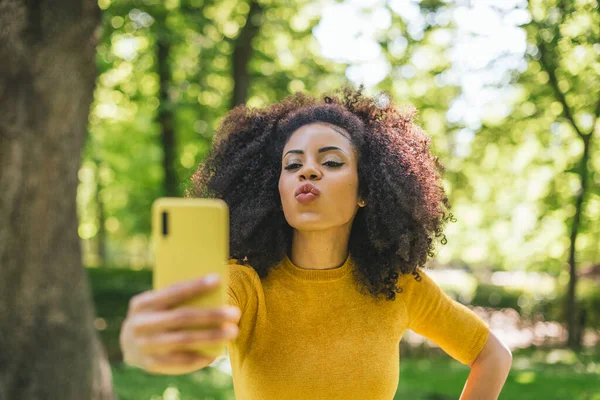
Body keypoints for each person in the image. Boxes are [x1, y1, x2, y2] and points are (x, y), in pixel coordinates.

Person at [120, 85, 512, 399]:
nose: (308, 170)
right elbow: (189, 342)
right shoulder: (245, 284)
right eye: (293, 164)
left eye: (331, 162)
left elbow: (492, 355)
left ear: (366, 191)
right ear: (277, 189)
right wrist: (144, 341)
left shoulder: (400, 287)